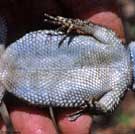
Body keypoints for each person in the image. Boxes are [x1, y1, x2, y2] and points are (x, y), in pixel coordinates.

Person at [0, 0, 125, 133]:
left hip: (13, 76)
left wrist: (72, 24)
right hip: (12, 69)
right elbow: (103, 107)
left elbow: (92, 28)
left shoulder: (115, 46)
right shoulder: (116, 52)